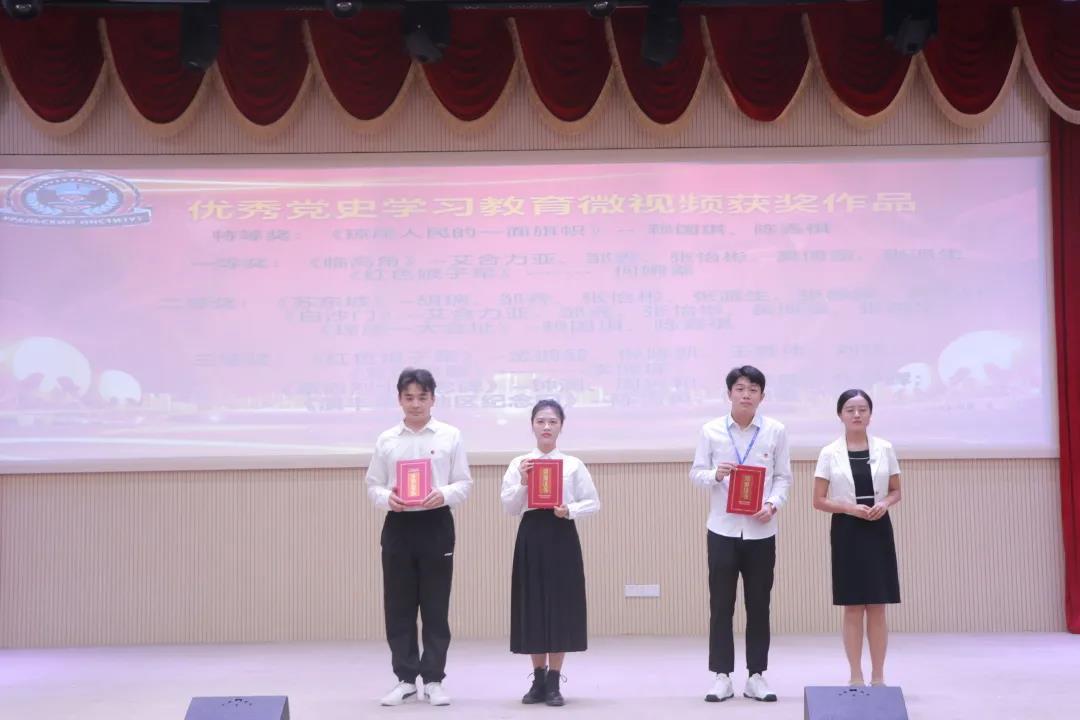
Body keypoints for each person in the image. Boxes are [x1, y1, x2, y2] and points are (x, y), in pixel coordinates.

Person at [365, 368, 473, 706]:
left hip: (436, 524)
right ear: (399, 399)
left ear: (433, 399)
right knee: (398, 606)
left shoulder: (450, 435)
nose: (415, 404)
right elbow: (373, 485)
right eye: (409, 397)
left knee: (435, 606)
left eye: (422, 397)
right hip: (398, 525)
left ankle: (434, 679)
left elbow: (464, 483)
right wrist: (388, 498)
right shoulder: (387, 439)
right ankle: (405, 678)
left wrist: (443, 494)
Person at [690, 365, 792, 703]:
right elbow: (696, 473)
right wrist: (715, 475)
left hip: (761, 531)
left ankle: (756, 676)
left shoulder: (775, 431)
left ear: (762, 395)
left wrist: (773, 504)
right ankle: (721, 676)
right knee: (721, 604)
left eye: (753, 389)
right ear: (729, 393)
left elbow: (783, 477)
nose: (746, 394)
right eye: (740, 388)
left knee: (759, 604)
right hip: (722, 529)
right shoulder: (711, 430)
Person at [500, 399, 600, 707]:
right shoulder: (520, 463)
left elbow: (593, 502)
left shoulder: (572, 464)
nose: (546, 427)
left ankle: (555, 680)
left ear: (561, 427)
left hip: (561, 533)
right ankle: (538, 679)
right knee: (532, 604)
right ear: (532, 425)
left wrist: (569, 509)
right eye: (541, 421)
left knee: (560, 605)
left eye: (553, 422)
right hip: (531, 534)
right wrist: (523, 482)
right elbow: (509, 507)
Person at [812, 389, 901, 687]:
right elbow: (819, 500)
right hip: (847, 530)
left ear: (870, 414)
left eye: (863, 409)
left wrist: (884, 504)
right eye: (850, 409)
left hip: (878, 529)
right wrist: (850, 508)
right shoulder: (829, 452)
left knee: (877, 606)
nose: (857, 414)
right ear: (840, 415)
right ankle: (855, 674)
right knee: (852, 606)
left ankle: (878, 675)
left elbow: (896, 491)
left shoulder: (885, 448)